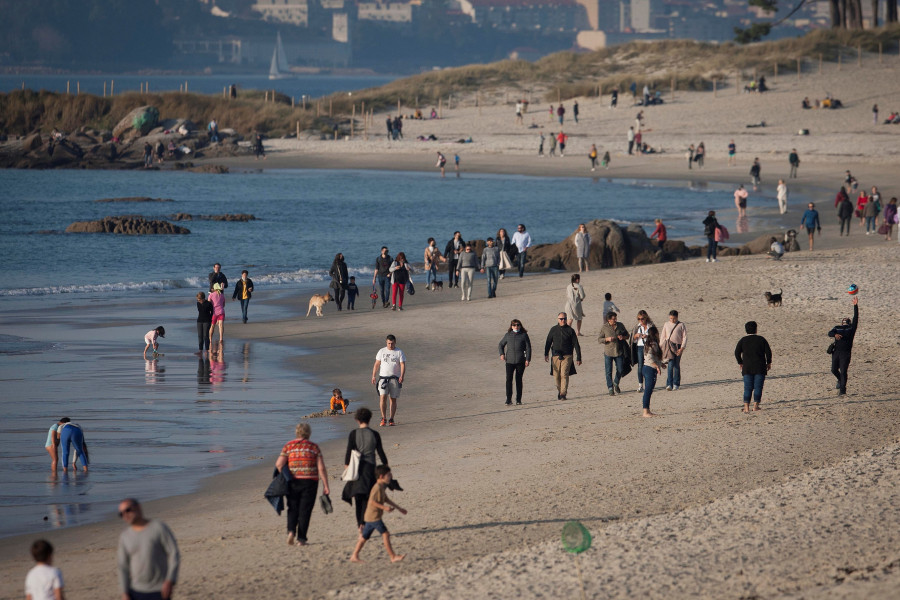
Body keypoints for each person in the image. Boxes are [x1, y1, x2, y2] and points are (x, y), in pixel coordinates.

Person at [275, 423, 330, 546]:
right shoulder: (314, 447)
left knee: (292, 507)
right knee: (305, 510)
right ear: (309, 433)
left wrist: (285, 476)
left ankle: (291, 532)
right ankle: (301, 539)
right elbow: (321, 468)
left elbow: (279, 464)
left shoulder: (289, 446)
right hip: (310, 481)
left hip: (293, 481)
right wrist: (326, 485)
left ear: (297, 432)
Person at [117, 498, 179, 600]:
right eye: (121, 514)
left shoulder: (158, 528)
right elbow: (123, 566)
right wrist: (124, 592)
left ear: (138, 508)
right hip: (135, 592)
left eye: (128, 510)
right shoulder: (125, 536)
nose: (125, 515)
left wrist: (170, 580)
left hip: (159, 591)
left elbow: (174, 553)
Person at [349, 465, 407, 563]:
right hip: (373, 517)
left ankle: (354, 556)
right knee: (385, 534)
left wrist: (399, 508)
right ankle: (393, 556)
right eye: (388, 475)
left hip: (370, 517)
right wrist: (384, 508)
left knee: (364, 538)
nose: (391, 476)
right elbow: (371, 502)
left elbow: (386, 499)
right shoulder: (376, 488)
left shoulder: (382, 487)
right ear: (381, 476)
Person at [343, 407, 389, 529]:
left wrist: (347, 468)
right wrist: (386, 467)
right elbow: (381, 452)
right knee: (368, 497)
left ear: (357, 420)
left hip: (357, 469)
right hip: (370, 470)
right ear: (369, 419)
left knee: (358, 498)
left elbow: (349, 453)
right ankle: (364, 522)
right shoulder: (375, 434)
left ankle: (360, 525)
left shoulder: (353, 434)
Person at [734, 321, 772, 412]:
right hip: (760, 367)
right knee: (758, 387)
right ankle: (755, 406)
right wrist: (768, 362)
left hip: (747, 367)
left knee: (748, 387)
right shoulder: (761, 339)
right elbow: (768, 352)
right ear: (756, 329)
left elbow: (736, 352)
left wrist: (740, 362)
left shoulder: (743, 340)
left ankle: (746, 407)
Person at [544, 312, 582, 400]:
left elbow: (576, 344)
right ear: (558, 319)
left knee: (564, 374)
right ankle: (560, 390)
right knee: (556, 375)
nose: (563, 320)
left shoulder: (570, 330)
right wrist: (546, 354)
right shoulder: (553, 329)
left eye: (564, 318)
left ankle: (563, 393)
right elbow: (548, 342)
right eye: (561, 319)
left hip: (567, 355)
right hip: (555, 356)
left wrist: (578, 357)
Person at [371, 334, 405, 426]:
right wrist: (373, 375)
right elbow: (377, 364)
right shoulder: (381, 351)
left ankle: (391, 419)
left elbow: (402, 364)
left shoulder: (399, 352)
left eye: (392, 343)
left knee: (393, 399)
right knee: (382, 397)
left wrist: (402, 376)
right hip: (383, 379)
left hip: (395, 378)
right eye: (389, 343)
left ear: (395, 342)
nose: (390, 345)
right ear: (386, 342)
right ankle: (383, 418)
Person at [828, 296, 859, 396]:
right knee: (833, 369)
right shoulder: (837, 328)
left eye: (846, 320)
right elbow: (829, 333)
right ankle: (840, 380)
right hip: (836, 352)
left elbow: (856, 318)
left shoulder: (851, 329)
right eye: (843, 320)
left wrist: (855, 306)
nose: (844, 321)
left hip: (845, 353)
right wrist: (834, 335)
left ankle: (842, 390)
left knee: (843, 371)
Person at [499, 318, 531, 405]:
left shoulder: (524, 335)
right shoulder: (508, 335)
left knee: (518, 380)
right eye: (514, 325)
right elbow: (501, 344)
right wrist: (502, 354)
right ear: (511, 326)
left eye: (518, 325)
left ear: (520, 326)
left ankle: (518, 399)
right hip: (509, 361)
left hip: (521, 361)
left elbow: (528, 348)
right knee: (509, 380)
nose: (516, 326)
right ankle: (508, 399)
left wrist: (527, 359)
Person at [599, 311, 628, 396]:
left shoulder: (620, 325)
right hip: (608, 352)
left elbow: (627, 336)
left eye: (616, 318)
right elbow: (599, 339)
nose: (615, 320)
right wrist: (607, 339)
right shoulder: (604, 327)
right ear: (608, 320)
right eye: (613, 319)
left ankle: (616, 382)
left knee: (620, 369)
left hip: (619, 351)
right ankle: (610, 388)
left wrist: (623, 337)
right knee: (608, 371)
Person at [661, 310, 687, 391]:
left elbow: (685, 337)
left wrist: (682, 348)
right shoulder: (666, 324)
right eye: (671, 318)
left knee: (676, 365)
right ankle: (669, 384)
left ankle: (676, 383)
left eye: (674, 318)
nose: (672, 320)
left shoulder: (681, 325)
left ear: (677, 317)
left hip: (678, 346)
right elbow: (663, 336)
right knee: (670, 364)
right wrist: (661, 347)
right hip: (669, 345)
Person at [640, 325, 663, 417]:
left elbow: (654, 357)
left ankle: (647, 410)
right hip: (649, 368)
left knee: (649, 390)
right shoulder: (652, 344)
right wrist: (657, 366)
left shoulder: (650, 343)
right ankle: (645, 411)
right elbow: (649, 358)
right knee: (648, 391)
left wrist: (661, 364)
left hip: (647, 368)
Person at [630, 311, 654, 393]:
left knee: (650, 365)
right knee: (640, 366)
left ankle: (649, 384)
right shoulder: (637, 327)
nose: (641, 320)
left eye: (642, 318)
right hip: (640, 347)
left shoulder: (651, 326)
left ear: (646, 317)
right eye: (639, 319)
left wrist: (647, 336)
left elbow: (655, 337)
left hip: (649, 347)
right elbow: (632, 339)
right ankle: (640, 385)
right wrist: (636, 336)